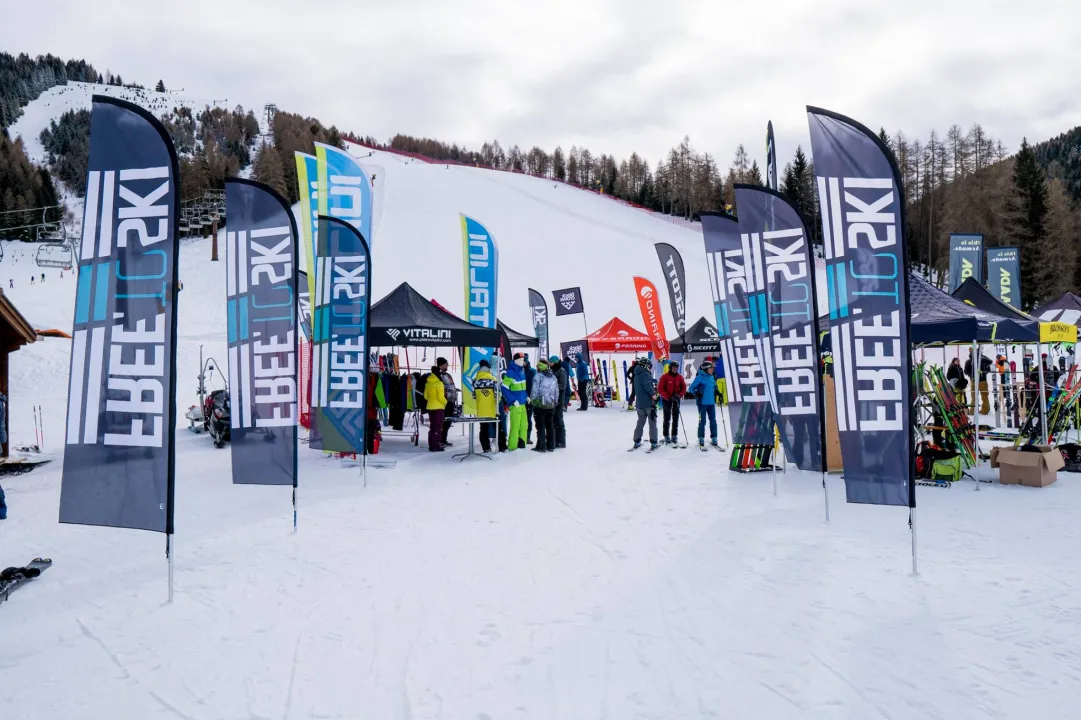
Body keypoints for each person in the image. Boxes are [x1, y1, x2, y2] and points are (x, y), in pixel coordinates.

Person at [688, 360, 720, 448]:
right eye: (711, 368)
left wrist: (718, 392)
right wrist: (696, 393)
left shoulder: (712, 377)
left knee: (713, 420)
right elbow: (691, 388)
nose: (713, 370)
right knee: (703, 421)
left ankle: (714, 437)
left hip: (711, 403)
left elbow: (714, 386)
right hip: (702, 403)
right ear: (706, 369)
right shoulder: (700, 377)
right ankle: (701, 437)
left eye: (713, 368)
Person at [529, 359, 559, 452]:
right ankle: (551, 445)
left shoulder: (538, 377)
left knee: (540, 426)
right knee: (550, 425)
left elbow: (535, 391)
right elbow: (556, 391)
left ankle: (541, 446)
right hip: (551, 404)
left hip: (540, 405)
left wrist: (532, 401)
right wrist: (555, 402)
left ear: (539, 367)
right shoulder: (553, 377)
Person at [631, 357, 659, 449]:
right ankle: (654, 442)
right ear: (645, 365)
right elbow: (647, 385)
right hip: (648, 404)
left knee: (640, 423)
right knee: (652, 423)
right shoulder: (646, 374)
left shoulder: (636, 375)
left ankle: (637, 441)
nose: (650, 368)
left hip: (639, 403)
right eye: (649, 366)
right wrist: (654, 394)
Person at [502, 353, 528, 450]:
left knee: (524, 424)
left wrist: (526, 396)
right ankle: (512, 446)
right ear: (516, 361)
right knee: (515, 425)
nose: (523, 362)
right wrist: (513, 400)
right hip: (515, 404)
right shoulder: (511, 372)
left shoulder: (522, 371)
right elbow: (504, 388)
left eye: (523, 360)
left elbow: (522, 388)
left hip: (522, 403)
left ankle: (522, 444)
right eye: (521, 360)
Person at [657, 360, 687, 445]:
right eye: (674, 368)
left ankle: (674, 435)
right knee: (667, 418)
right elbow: (660, 389)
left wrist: (679, 395)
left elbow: (683, 388)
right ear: (670, 368)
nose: (675, 369)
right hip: (667, 400)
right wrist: (668, 396)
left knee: (675, 418)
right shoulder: (664, 377)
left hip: (676, 399)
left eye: (676, 368)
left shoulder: (679, 377)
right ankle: (666, 435)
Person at [473, 359, 499, 452]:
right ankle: (500, 446)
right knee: (497, 427)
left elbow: (474, 395)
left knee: (483, 429)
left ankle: (486, 447)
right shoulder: (493, 379)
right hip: (492, 409)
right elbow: (497, 395)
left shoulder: (475, 381)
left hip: (481, 409)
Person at [423, 366, 447, 452]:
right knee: (438, 427)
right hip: (438, 407)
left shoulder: (428, 383)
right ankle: (436, 445)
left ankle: (431, 445)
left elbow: (425, 396)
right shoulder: (439, 383)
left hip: (430, 407)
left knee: (432, 427)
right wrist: (445, 402)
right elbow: (441, 397)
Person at [437, 357, 457, 447]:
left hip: (451, 400)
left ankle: (444, 439)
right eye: (446, 363)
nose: (447, 365)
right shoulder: (438, 375)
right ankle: (440, 440)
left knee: (448, 421)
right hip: (444, 401)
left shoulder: (447, 375)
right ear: (441, 365)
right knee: (444, 421)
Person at [550, 355, 568, 448]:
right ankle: (555, 439)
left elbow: (563, 385)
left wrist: (553, 386)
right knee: (554, 420)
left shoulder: (561, 371)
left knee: (559, 420)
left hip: (559, 399)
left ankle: (561, 441)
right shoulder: (553, 370)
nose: (550, 364)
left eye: (551, 363)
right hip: (553, 399)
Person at [523, 355, 536, 444]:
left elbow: (535, 385)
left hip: (529, 398)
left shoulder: (532, 371)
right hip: (519, 398)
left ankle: (527, 436)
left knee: (528, 418)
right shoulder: (517, 371)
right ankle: (520, 436)